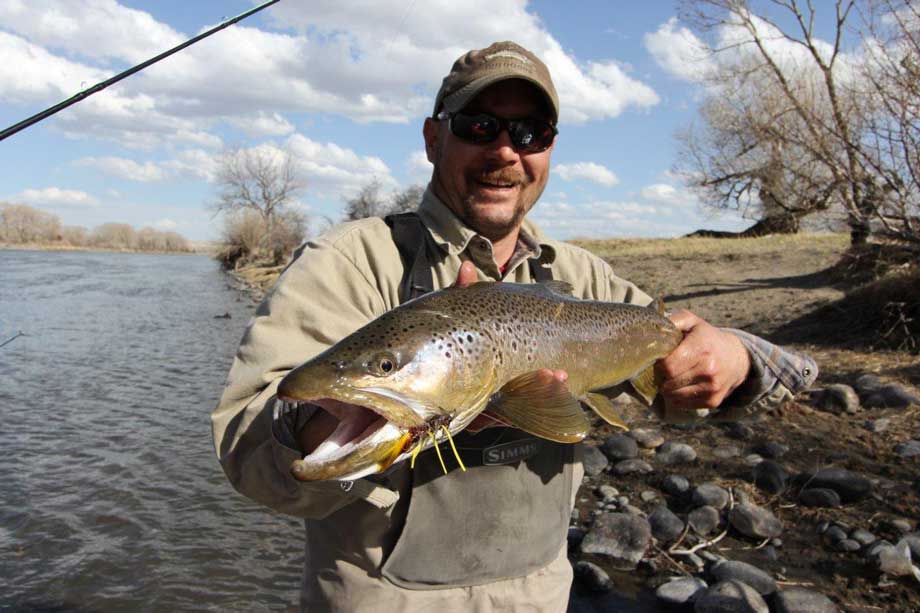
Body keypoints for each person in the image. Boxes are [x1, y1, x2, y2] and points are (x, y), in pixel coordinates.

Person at [212, 41, 817, 612]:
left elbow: (772, 365)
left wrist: (735, 356)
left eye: (531, 133)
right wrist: (362, 420)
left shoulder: (582, 276)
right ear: (432, 137)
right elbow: (253, 457)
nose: (506, 150)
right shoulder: (351, 262)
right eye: (480, 126)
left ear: (549, 151)